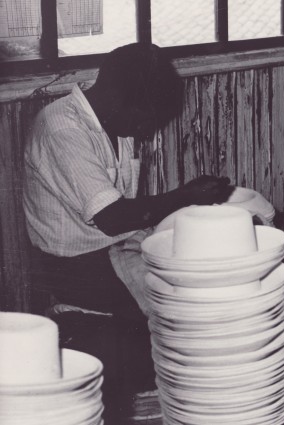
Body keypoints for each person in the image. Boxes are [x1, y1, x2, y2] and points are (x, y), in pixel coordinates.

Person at [23, 42, 234, 421]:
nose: (146, 129)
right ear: (117, 97)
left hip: (114, 250)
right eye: (145, 118)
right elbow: (113, 218)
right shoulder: (62, 129)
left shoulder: (112, 123)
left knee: (207, 290)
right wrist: (184, 196)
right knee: (185, 317)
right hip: (74, 266)